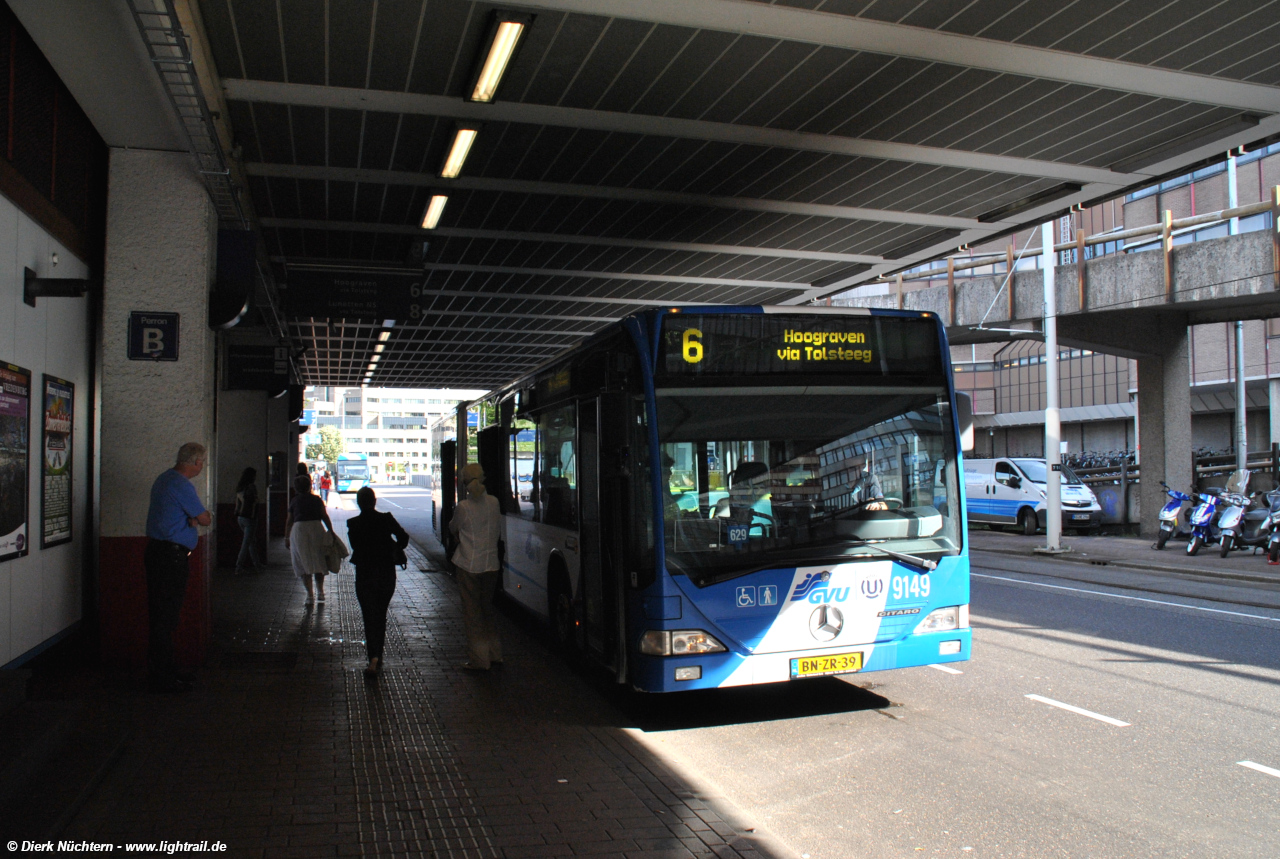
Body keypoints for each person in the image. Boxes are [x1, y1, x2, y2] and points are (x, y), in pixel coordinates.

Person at [144, 442, 212, 693]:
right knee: (166, 616)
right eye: (202, 462)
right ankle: (163, 677)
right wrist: (197, 518)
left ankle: (165, 670)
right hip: (171, 557)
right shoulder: (181, 485)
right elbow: (204, 518)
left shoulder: (164, 479)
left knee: (161, 614)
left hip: (158, 553)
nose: (202, 467)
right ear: (195, 462)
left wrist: (191, 519)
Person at [346, 486, 409, 677]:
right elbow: (404, 537)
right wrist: (394, 549)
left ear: (359, 502)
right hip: (386, 573)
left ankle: (372, 655)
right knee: (380, 613)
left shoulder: (353, 524)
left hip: (365, 574)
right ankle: (377, 655)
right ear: (374, 501)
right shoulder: (386, 519)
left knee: (368, 614)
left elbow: (356, 546)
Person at [449, 463, 503, 671]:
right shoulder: (494, 502)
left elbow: (454, 527)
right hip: (491, 565)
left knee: (473, 614)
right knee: (487, 610)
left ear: (465, 483)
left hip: (468, 565)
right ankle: (495, 653)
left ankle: (480, 660)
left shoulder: (464, 507)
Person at [285, 474, 334, 603]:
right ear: (309, 486)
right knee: (318, 559)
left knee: (302, 561)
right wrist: (331, 531)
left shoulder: (294, 501)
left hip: (299, 531)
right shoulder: (317, 499)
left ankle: (310, 595)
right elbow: (325, 516)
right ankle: (321, 592)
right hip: (316, 529)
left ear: (296, 488)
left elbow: (289, 521)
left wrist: (286, 537)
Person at [234, 467, 264, 574]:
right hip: (250, 518)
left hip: (240, 518)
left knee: (251, 541)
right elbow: (255, 501)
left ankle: (257, 564)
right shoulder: (252, 487)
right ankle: (239, 566)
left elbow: (237, 503)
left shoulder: (240, 487)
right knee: (246, 543)